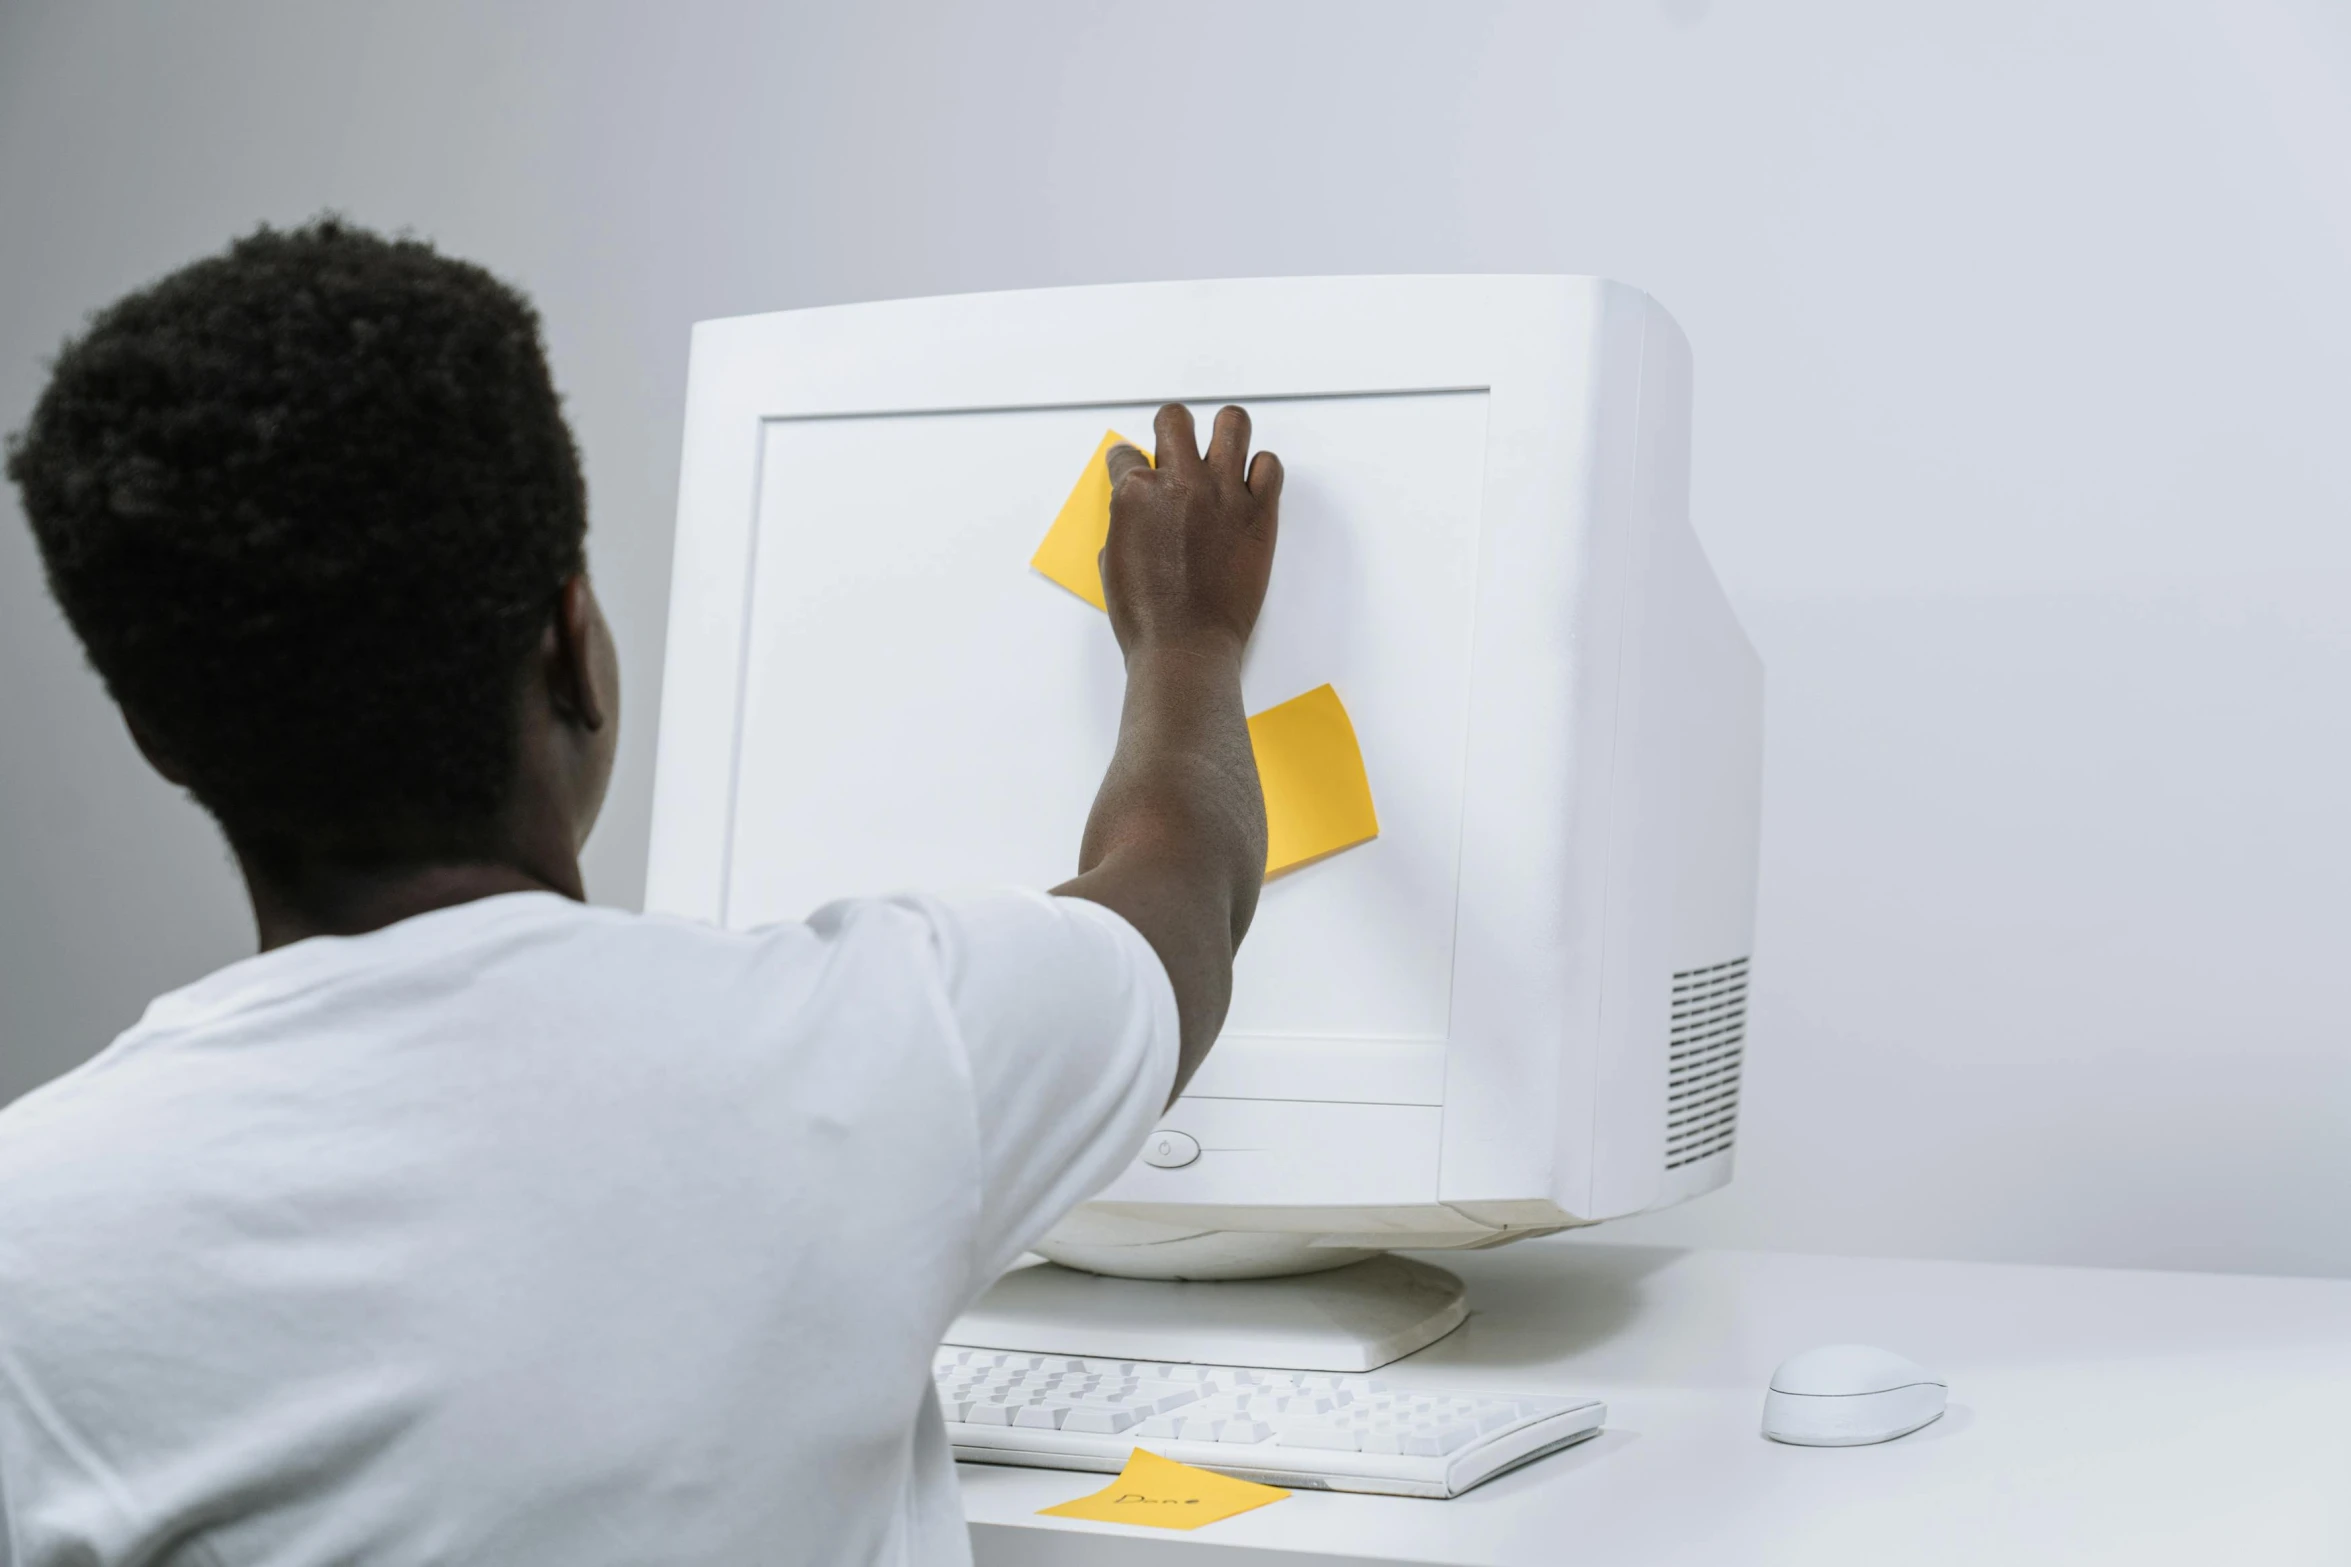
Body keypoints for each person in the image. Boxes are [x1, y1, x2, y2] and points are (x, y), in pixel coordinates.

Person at [0, 220, 1281, 1566]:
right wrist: (1185, 641)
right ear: (571, 648)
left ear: (159, 735)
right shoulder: (887, 1047)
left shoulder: (34, 1231)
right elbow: (1183, 887)